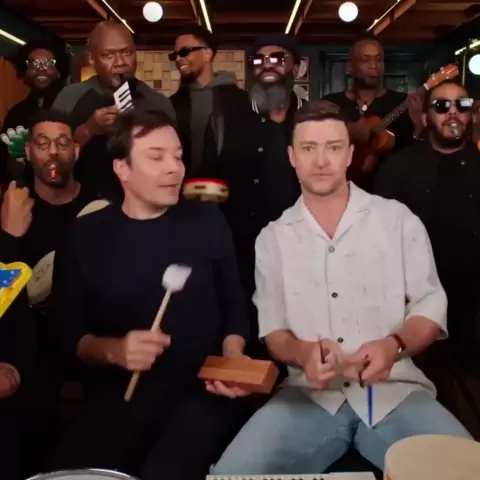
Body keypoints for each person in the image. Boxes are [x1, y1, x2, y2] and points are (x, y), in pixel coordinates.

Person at [210, 100, 472, 476]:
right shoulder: (273, 238)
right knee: (231, 473)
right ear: (292, 157)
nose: (321, 161)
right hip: (307, 395)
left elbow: (429, 305)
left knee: (467, 469)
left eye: (333, 147)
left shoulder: (396, 219)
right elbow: (274, 332)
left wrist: (393, 345)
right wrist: (303, 353)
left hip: (395, 390)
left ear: (349, 154)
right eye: (308, 148)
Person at [47, 109, 252, 480]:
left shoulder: (207, 220)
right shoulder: (85, 236)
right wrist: (115, 350)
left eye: (178, 156)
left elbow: (234, 305)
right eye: (156, 157)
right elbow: (70, 337)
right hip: (118, 395)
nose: (174, 168)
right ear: (122, 168)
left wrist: (233, 358)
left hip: (202, 390)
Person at [374, 81, 480, 438]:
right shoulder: (397, 167)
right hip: (408, 304)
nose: (453, 113)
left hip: (471, 302)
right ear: (424, 117)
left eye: (461, 104)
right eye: (442, 106)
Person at [0, 108, 100, 474]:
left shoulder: (100, 207)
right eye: (42, 144)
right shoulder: (11, 208)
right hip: (29, 346)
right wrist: (9, 238)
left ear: (76, 150)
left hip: (90, 336)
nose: (53, 152)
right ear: (28, 152)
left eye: (62, 143)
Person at [52, 20, 175, 202]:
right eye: (108, 55)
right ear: (91, 59)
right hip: (81, 206)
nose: (120, 63)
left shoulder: (158, 103)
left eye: (127, 53)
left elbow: (172, 164)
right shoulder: (70, 97)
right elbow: (52, 159)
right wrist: (89, 129)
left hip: (142, 207)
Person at [322, 35, 421, 190]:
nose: (374, 65)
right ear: (350, 66)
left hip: (389, 192)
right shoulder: (330, 104)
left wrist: (419, 125)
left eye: (378, 59)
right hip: (341, 191)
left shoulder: (403, 103)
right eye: (365, 59)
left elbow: (415, 152)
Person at [169, 25, 249, 178]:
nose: (178, 59)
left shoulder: (242, 101)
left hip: (232, 190)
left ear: (207, 54)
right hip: (184, 190)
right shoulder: (171, 105)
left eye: (184, 52)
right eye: (174, 55)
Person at [1, 38, 70, 187]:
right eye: (34, 64)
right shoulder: (16, 114)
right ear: (24, 71)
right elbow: (6, 165)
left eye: (48, 63)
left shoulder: (71, 105)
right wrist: (16, 163)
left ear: (59, 70)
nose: (41, 69)